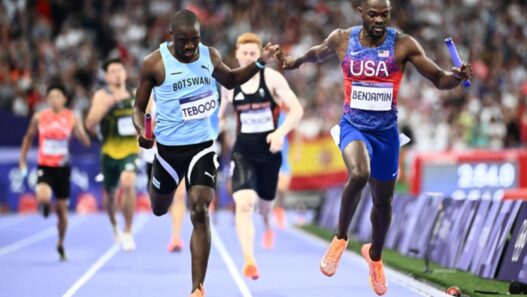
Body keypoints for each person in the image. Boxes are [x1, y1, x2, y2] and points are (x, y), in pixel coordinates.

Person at [279, 0, 473, 295]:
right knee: (358, 174)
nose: (380, 19)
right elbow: (317, 53)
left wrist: (455, 77)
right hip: (353, 127)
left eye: (385, 14)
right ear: (360, 11)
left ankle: (376, 257)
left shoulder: (404, 45)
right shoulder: (342, 38)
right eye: (373, 14)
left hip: (386, 134)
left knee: (383, 204)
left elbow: (438, 79)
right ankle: (340, 238)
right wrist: (295, 61)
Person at [132, 10, 279, 297]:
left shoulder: (208, 56)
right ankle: (158, 189)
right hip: (168, 153)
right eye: (184, 41)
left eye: (195, 40)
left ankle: (197, 288)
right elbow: (138, 108)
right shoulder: (154, 63)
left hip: (202, 146)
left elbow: (232, 79)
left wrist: (260, 62)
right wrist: (142, 132)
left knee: (199, 209)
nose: (190, 47)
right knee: (159, 208)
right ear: (171, 37)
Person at [218, 32, 303, 280]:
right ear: (236, 54)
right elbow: (220, 115)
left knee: (265, 206)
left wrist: (280, 132)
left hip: (270, 153)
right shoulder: (229, 84)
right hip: (243, 151)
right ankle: (249, 261)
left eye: (253, 54)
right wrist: (217, 123)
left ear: (259, 56)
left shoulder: (273, 79)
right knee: (244, 204)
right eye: (243, 53)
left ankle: (267, 224)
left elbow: (297, 109)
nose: (247, 57)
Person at [19, 83, 91, 261]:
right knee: (43, 196)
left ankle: (60, 242)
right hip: (45, 166)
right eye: (51, 97)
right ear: (47, 99)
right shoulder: (39, 117)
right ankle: (44, 206)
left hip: (63, 169)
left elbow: (86, 142)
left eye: (58, 96)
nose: (54, 100)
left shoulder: (71, 117)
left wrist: (80, 131)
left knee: (62, 212)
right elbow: (28, 138)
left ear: (64, 99)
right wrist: (22, 159)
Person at [85, 58, 139, 252]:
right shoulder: (101, 96)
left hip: (130, 151)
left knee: (128, 182)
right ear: (107, 76)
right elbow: (89, 124)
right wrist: (106, 105)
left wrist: (145, 131)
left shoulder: (135, 94)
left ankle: (128, 231)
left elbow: (148, 121)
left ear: (125, 73)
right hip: (109, 152)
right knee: (110, 195)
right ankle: (114, 223)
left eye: (119, 70)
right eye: (112, 71)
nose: (117, 74)